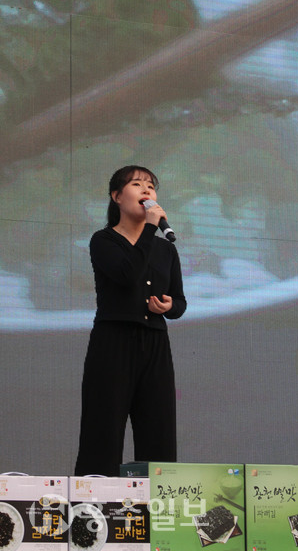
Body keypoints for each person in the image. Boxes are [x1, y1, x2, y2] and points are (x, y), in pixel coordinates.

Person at [74, 165, 187, 477]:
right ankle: (92, 515)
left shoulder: (166, 249)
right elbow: (127, 274)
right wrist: (150, 228)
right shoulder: (103, 240)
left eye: (151, 185)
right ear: (116, 196)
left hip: (155, 343)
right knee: (104, 431)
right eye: (137, 184)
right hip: (113, 341)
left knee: (159, 430)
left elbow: (179, 301)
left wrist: (169, 306)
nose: (147, 190)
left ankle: (157, 513)